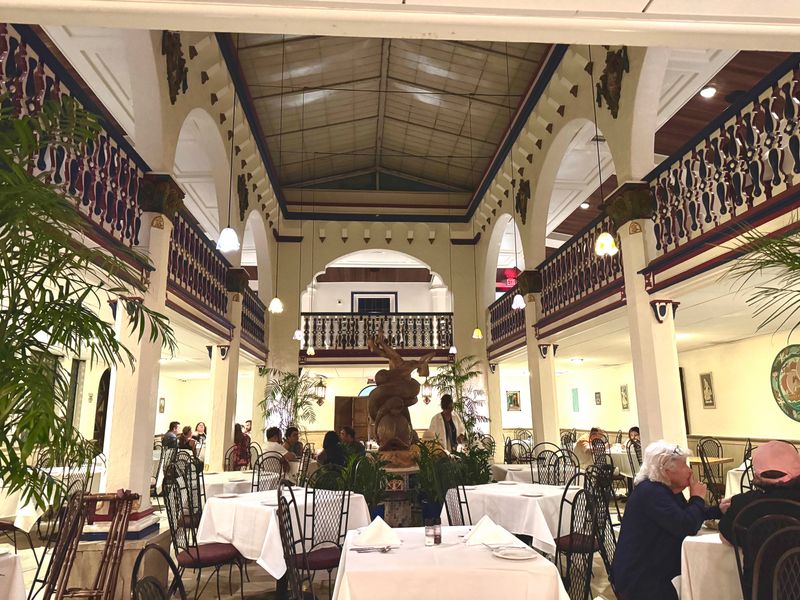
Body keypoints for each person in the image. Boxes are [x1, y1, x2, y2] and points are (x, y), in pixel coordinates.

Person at [611, 440, 721, 600]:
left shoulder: (666, 490)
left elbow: (688, 513)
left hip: (655, 570)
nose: (690, 471)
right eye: (684, 465)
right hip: (640, 580)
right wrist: (697, 497)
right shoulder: (651, 492)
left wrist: (719, 510)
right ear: (665, 469)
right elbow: (686, 525)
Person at [720, 439, 800, 542]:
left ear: (756, 475)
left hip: (758, 558)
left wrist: (730, 514)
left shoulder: (744, 504)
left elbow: (725, 538)